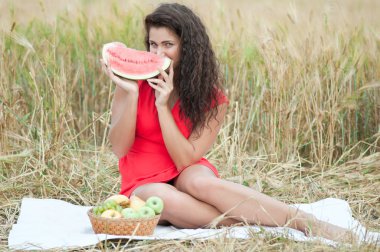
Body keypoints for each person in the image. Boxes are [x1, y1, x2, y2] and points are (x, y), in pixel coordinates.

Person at [101, 3, 355, 242]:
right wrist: (132, 93)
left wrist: (162, 105)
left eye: (168, 44)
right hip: (143, 181)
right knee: (161, 197)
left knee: (199, 182)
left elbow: (185, 160)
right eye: (152, 44)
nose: (158, 53)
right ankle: (255, 221)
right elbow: (119, 149)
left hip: (187, 168)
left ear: (187, 47)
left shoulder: (212, 98)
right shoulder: (132, 84)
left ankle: (303, 220)